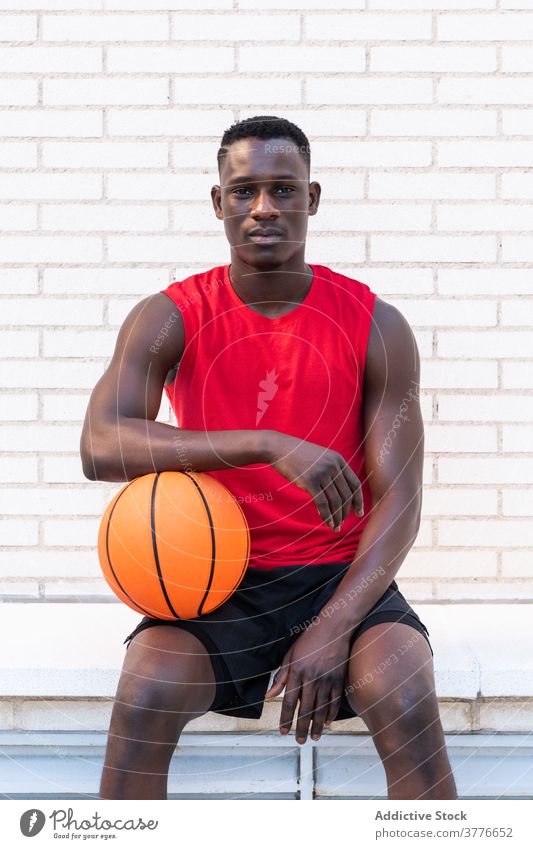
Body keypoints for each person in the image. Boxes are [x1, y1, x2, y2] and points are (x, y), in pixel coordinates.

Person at [80, 115, 457, 801]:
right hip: (211, 579)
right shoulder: (168, 316)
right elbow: (100, 443)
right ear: (218, 201)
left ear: (310, 199)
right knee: (145, 692)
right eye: (243, 190)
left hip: (340, 579)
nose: (262, 207)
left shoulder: (375, 324)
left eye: (282, 189)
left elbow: (399, 499)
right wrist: (264, 443)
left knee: (402, 695)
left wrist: (332, 627)